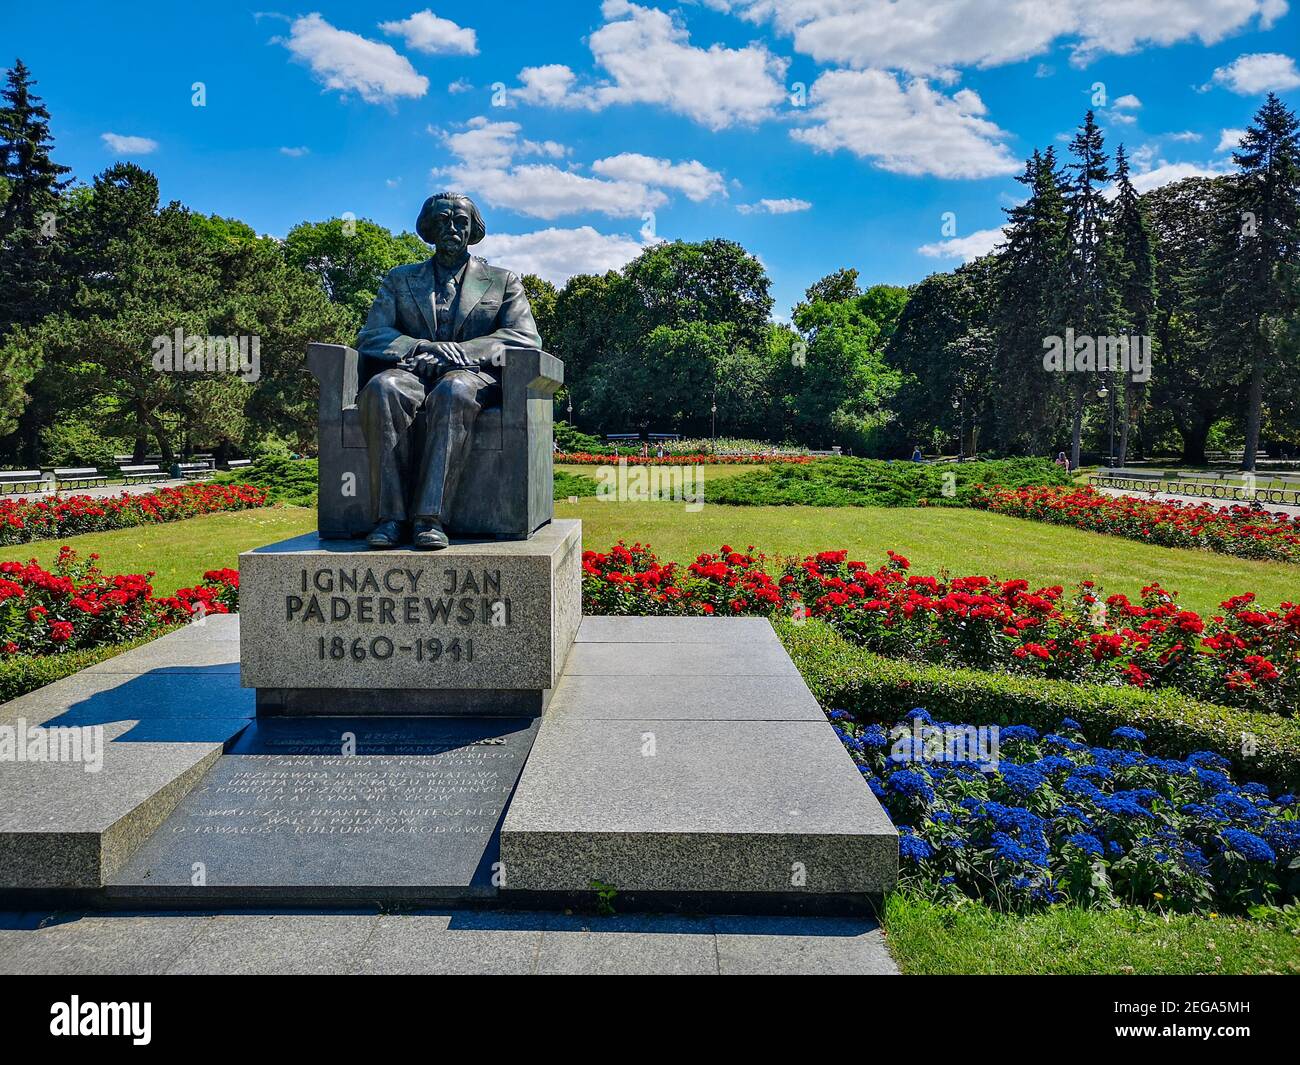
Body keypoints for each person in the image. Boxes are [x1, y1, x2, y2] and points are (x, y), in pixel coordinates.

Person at [354, 192, 541, 550]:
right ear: (428, 227)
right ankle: (390, 518)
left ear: (472, 230)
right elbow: (373, 335)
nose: (451, 228)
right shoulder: (399, 280)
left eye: (460, 222)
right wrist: (423, 347)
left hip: (474, 376)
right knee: (383, 388)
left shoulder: (502, 281)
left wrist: (460, 354)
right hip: (413, 370)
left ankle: (430, 518)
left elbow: (523, 336)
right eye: (442, 221)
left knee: (453, 390)